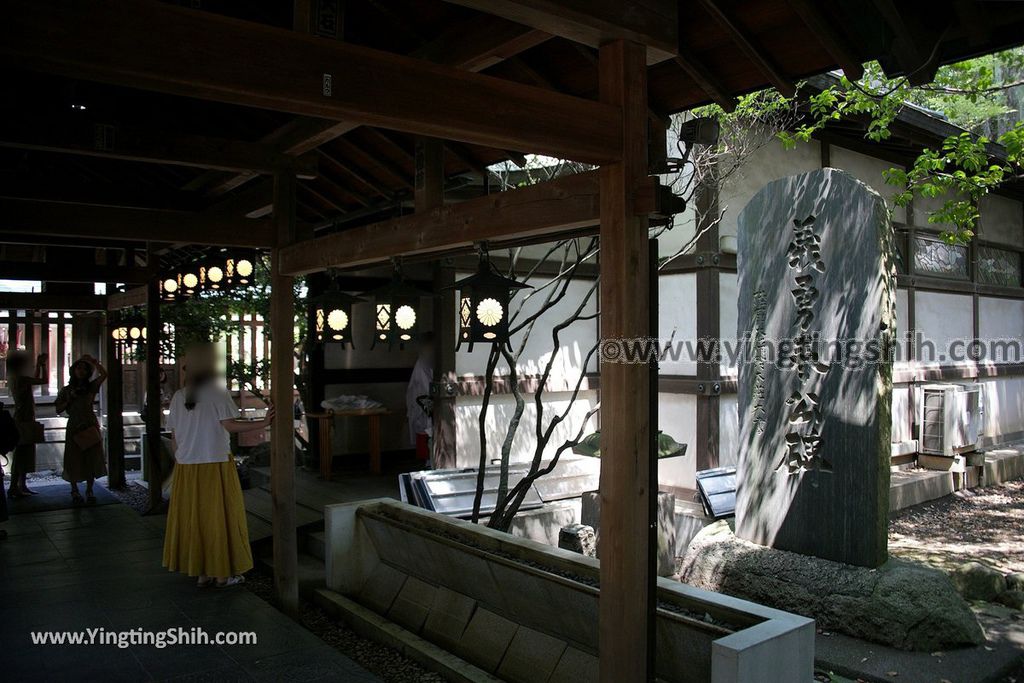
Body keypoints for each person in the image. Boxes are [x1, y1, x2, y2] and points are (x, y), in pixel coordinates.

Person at [162, 344, 274, 588]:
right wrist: (263, 422)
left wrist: (182, 459)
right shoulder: (216, 393)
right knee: (219, 518)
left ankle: (202, 572)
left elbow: (174, 438)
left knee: (196, 519)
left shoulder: (180, 397)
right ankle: (222, 573)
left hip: (187, 466)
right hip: (214, 463)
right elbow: (230, 425)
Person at [55, 355, 108, 504]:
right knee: (73, 457)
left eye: (85, 369)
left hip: (89, 422)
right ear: (73, 370)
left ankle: (90, 489)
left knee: (91, 456)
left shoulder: (91, 387)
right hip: (74, 424)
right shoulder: (66, 390)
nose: (82, 371)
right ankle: (74, 490)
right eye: (79, 368)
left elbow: (104, 374)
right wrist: (69, 398)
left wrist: (94, 362)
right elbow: (58, 409)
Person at [6, 350, 47, 499]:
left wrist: (38, 366)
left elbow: (35, 380)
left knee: (24, 454)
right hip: (24, 418)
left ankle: (21, 486)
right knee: (22, 454)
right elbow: (43, 380)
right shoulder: (21, 378)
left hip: (22, 417)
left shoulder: (15, 378)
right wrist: (42, 365)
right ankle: (14, 487)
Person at [405, 332, 434, 464]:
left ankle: (429, 462)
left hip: (425, 401)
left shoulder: (427, 362)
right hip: (423, 403)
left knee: (427, 434)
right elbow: (422, 388)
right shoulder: (422, 363)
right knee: (425, 433)